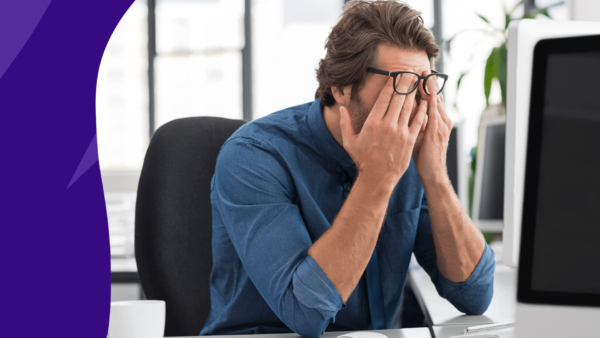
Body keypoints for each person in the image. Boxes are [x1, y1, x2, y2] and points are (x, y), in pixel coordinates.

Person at [201, 1, 495, 337]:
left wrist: (436, 176)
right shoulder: (254, 156)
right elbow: (306, 315)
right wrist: (378, 177)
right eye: (401, 83)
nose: (415, 105)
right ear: (341, 88)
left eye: (425, 85)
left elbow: (474, 295)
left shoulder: (412, 154)